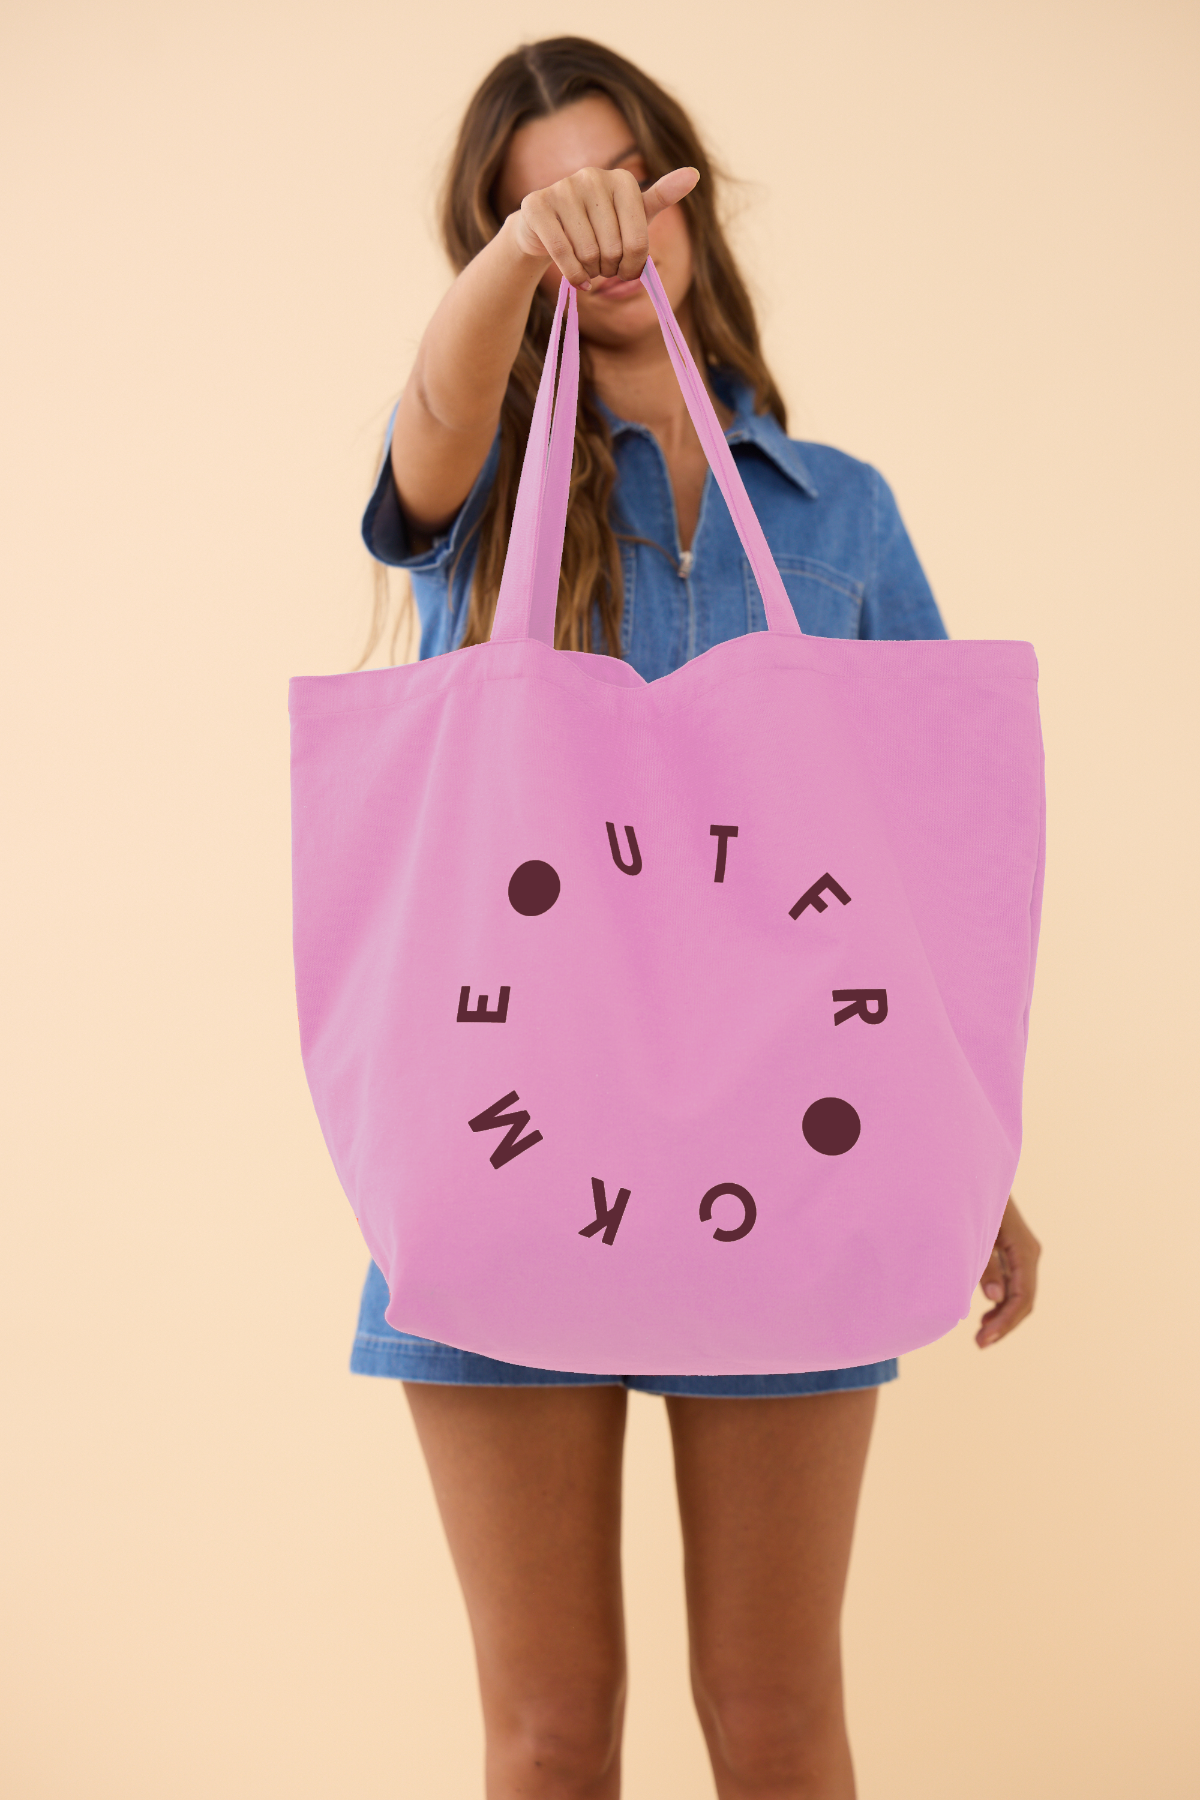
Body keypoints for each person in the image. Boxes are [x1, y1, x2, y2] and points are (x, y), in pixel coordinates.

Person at [354, 36, 1041, 1800]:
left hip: (796, 1148)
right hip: (503, 1148)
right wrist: (524, 264)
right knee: (549, 1724)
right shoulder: (479, 499)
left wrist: (976, 1151)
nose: (595, 230)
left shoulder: (844, 518)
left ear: (692, 205)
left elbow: (914, 871)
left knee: (778, 1711)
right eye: (536, 204)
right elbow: (432, 419)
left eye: (619, 184)